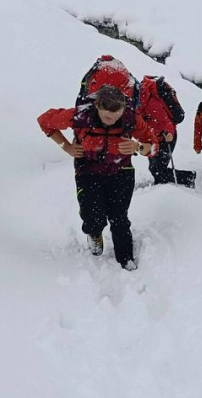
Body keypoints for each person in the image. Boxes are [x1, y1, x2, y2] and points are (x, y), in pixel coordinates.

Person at [37, 85, 159, 271]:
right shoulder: (80, 116)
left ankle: (125, 257)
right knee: (92, 215)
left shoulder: (130, 118)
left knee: (119, 217)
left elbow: (153, 145)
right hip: (88, 170)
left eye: (116, 114)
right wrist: (67, 147)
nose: (111, 119)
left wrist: (138, 148)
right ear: (97, 106)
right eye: (106, 115)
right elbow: (45, 121)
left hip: (121, 170)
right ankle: (94, 232)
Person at [139, 76, 194, 187]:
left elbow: (166, 122)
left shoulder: (151, 103)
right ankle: (163, 187)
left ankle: (187, 178)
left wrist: (169, 134)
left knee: (158, 169)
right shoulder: (139, 103)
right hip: (153, 138)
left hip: (166, 138)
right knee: (154, 168)